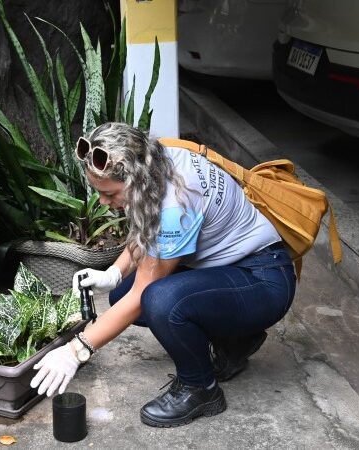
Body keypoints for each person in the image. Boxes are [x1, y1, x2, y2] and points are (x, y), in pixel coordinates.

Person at [30, 122, 296, 427]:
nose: (103, 202)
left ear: (132, 179)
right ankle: (235, 342)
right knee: (120, 294)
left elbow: (143, 292)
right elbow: (147, 226)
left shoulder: (176, 206)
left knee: (159, 301)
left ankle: (200, 388)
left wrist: (75, 350)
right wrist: (114, 274)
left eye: (109, 193)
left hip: (263, 280)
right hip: (232, 271)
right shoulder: (156, 157)